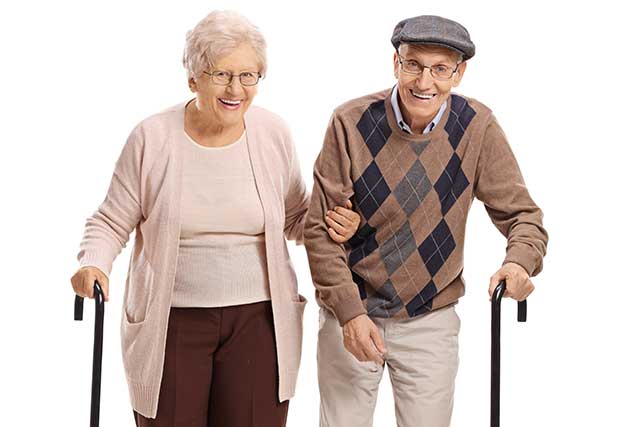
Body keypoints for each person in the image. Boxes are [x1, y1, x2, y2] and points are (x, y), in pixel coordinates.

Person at [70, 10, 360, 427]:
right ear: (193, 78)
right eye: (221, 74)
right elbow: (112, 220)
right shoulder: (153, 137)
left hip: (260, 319)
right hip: (171, 319)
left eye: (248, 76)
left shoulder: (272, 132)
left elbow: (296, 216)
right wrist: (92, 263)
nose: (235, 89)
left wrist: (335, 222)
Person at [303, 15, 549, 427]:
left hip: (429, 320)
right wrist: (349, 313)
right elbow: (318, 230)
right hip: (352, 311)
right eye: (413, 64)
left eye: (440, 69)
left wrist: (519, 262)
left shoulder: (477, 128)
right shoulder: (349, 122)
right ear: (395, 63)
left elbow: (523, 216)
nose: (424, 82)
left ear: (459, 72)